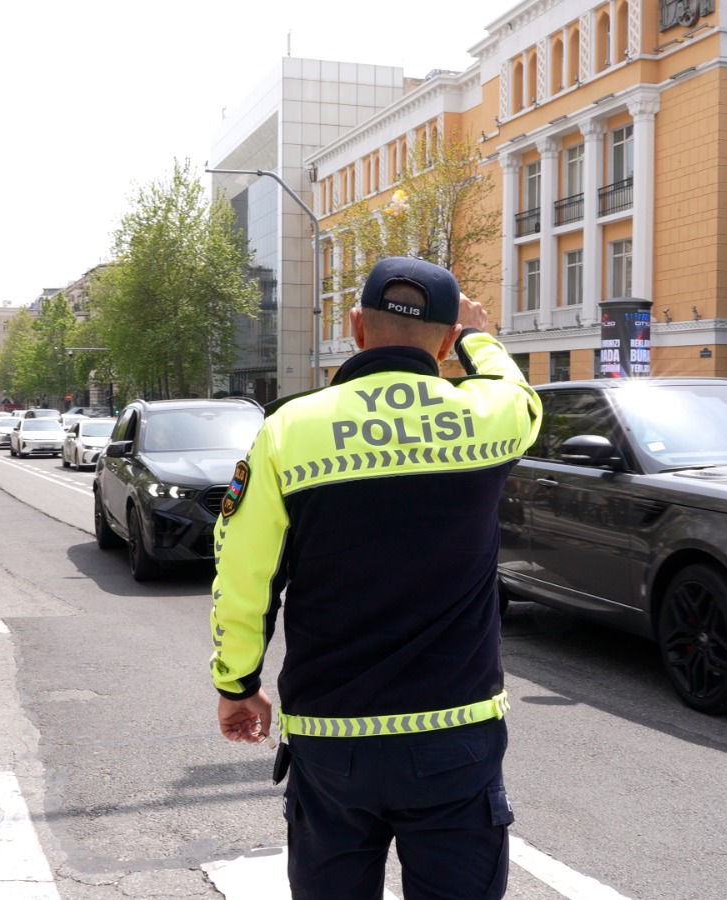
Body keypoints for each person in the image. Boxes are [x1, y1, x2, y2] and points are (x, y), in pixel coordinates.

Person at [210, 257, 542, 899]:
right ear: (446, 343)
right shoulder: (488, 417)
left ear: (356, 327)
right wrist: (478, 335)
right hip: (455, 736)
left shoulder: (288, 430)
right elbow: (515, 390)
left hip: (333, 744)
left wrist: (238, 684)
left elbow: (244, 574)